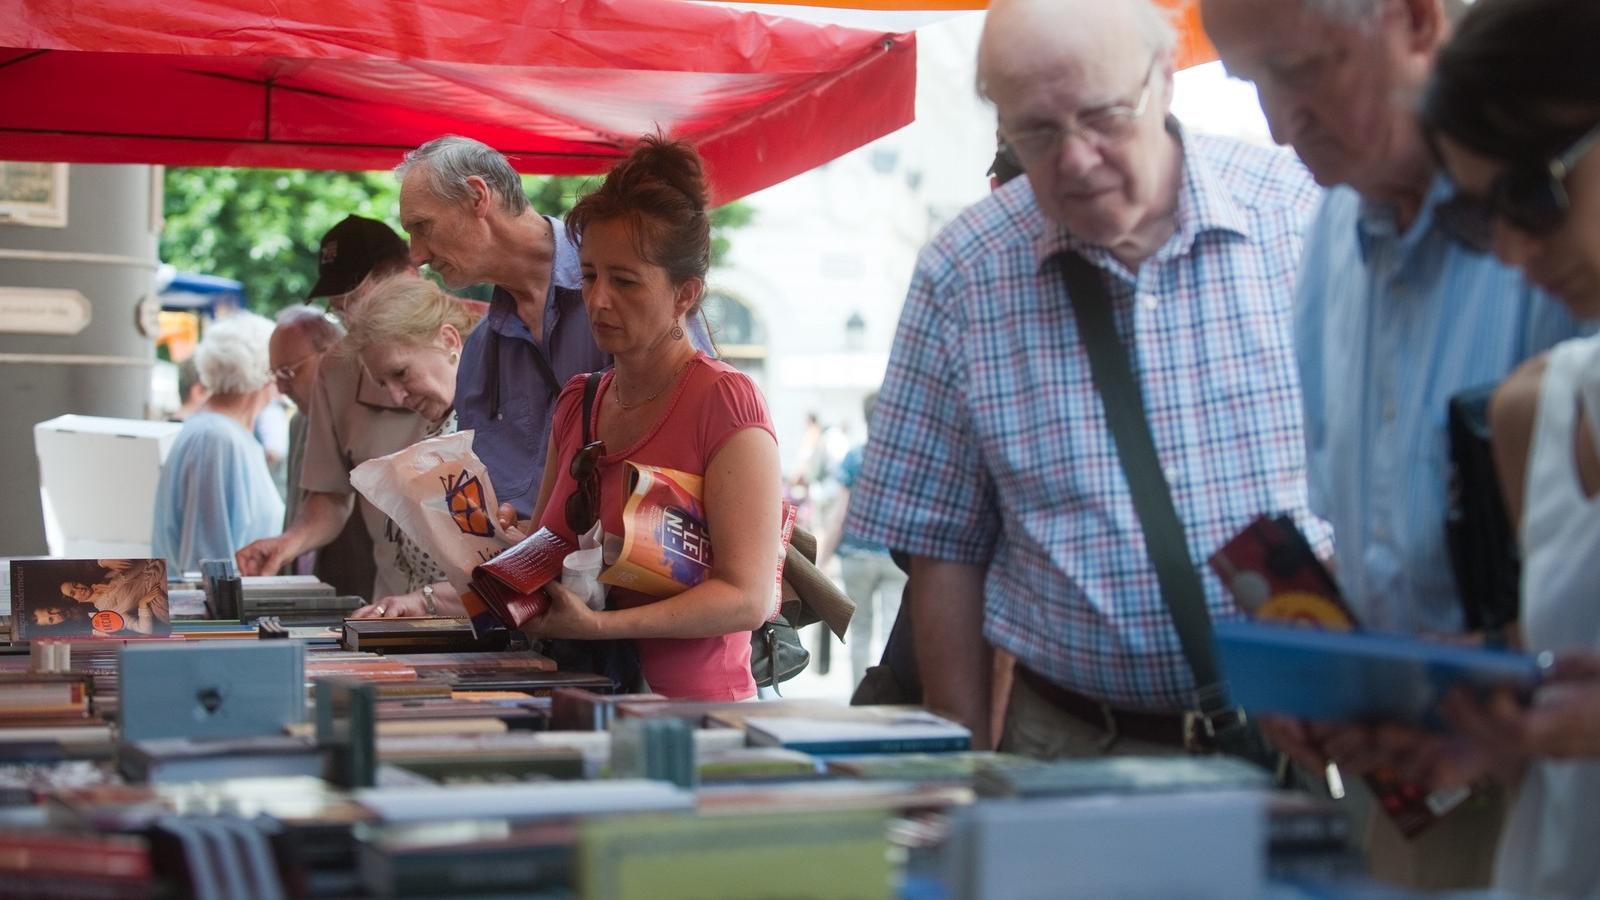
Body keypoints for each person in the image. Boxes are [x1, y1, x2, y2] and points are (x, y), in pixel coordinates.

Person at [848, 0, 1325, 755]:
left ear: (1164, 80)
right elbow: (943, 553)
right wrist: (964, 765)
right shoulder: (963, 272)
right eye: (1034, 131)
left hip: (1302, 737)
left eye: (1103, 118)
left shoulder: (1297, 216)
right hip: (1069, 741)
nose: (1073, 159)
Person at [1201, 0, 1585, 884]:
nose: (1279, 122)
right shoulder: (1335, 233)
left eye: (1299, 71)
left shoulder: (1563, 207)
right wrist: (1336, 680)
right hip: (1426, 791)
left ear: (1415, 22)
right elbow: (1360, 528)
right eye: (1249, 82)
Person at [1329, 1, 1600, 895]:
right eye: (1482, 218)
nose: (1515, 250)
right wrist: (1480, 722)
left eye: (1533, 197)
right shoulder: (1542, 409)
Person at [508, 136, 780, 702]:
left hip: (698, 720)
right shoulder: (578, 402)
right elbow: (542, 549)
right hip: (582, 704)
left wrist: (603, 626)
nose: (599, 299)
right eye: (588, 276)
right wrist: (493, 567)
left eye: (625, 281)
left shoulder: (726, 403)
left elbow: (748, 597)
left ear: (686, 293)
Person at [394, 136, 714, 525]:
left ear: (478, 196)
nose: (417, 254)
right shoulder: (479, 352)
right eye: (590, 277)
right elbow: (496, 503)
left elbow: (698, 443)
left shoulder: (636, 282)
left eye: (422, 227)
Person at [235, 215, 425, 601]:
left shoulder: (480, 339)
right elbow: (331, 496)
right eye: (339, 310)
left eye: (357, 300)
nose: (352, 321)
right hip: (393, 603)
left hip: (481, 602)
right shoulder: (336, 369)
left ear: (409, 275)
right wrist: (290, 542)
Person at [338, 274, 481, 618]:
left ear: (448, 340)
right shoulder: (447, 431)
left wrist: (423, 601)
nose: (396, 396)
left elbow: (506, 575)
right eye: (383, 383)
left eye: (401, 373)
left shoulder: (488, 435)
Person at [153, 313, 285, 574]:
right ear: (267, 374)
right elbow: (207, 565)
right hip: (217, 611)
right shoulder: (217, 439)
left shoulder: (221, 434)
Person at [269, 305, 372, 595]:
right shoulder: (299, 422)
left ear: (331, 356)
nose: (280, 387)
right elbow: (300, 509)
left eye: (288, 371)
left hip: (360, 596)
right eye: (275, 373)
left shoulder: (365, 416)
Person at [817, 392, 907, 688]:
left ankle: (860, 697)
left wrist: (824, 557)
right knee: (892, 629)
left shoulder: (856, 457)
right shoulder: (905, 459)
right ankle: (890, 694)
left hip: (856, 556)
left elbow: (840, 515)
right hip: (896, 556)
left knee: (860, 631)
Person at [56, 559, 168, 635]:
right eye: (73, 593)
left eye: (76, 584)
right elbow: (144, 629)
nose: (79, 589)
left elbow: (142, 564)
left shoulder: (107, 577)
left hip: (155, 569)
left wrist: (114, 582)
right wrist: (142, 604)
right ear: (77, 601)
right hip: (156, 597)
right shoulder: (107, 613)